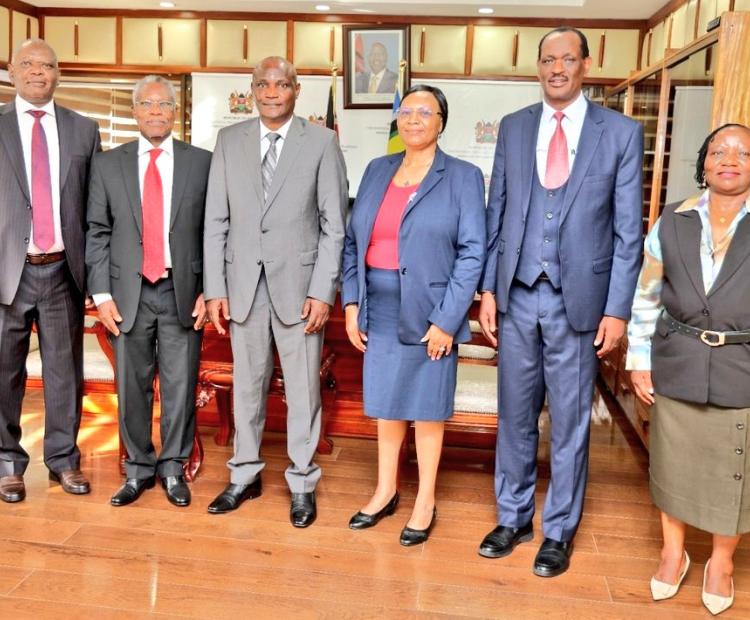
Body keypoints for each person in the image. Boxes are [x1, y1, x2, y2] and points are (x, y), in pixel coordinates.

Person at [477, 27, 643, 576]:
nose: (556, 68)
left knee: (570, 421)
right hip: (518, 295)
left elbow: (627, 233)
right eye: (547, 59)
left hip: (581, 302)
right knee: (515, 416)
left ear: (585, 65)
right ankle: (514, 516)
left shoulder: (619, 132)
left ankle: (560, 529)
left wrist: (617, 308)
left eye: (567, 59)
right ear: (538, 67)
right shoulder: (515, 127)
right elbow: (495, 213)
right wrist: (487, 291)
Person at [204, 56, 347, 528]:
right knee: (247, 387)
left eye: (281, 84)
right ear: (251, 89)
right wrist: (214, 289)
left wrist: (323, 291)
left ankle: (303, 482)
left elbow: (333, 226)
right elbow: (216, 223)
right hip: (242, 287)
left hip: (300, 290)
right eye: (262, 84)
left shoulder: (322, 142)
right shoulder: (229, 141)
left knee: (304, 391)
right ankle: (243, 476)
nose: (271, 92)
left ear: (296, 90)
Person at [342, 84, 486, 545]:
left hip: (431, 312)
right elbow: (352, 242)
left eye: (424, 112)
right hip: (377, 307)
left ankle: (425, 498)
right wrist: (350, 302)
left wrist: (447, 320)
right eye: (405, 111)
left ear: (441, 121)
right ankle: (385, 490)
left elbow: (472, 253)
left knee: (426, 410)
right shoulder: (376, 169)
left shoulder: (462, 176)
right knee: (386, 406)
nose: (413, 120)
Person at [627, 123, 750, 616]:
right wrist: (639, 360)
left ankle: (721, 562)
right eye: (719, 150)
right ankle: (672, 553)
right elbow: (646, 296)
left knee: (734, 472)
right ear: (703, 162)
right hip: (676, 359)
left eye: (742, 152)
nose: (729, 158)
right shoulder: (671, 220)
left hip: (741, 367)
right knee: (673, 464)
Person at [86, 75, 211, 508]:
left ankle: (174, 468)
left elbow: (215, 232)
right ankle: (138, 469)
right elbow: (98, 231)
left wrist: (209, 290)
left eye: (164, 104)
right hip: (126, 296)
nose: (156, 111)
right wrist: (101, 294)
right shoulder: (107, 164)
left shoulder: (203, 163)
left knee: (180, 385)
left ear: (176, 113)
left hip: (183, 292)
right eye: (147, 104)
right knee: (132, 386)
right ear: (134, 111)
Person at [0, 39, 100, 503]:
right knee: (5, 372)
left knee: (65, 371)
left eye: (48, 65)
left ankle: (63, 460)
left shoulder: (84, 129)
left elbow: (96, 208)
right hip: (6, 272)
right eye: (28, 64)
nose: (38, 72)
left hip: (63, 270)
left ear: (59, 73)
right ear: (12, 71)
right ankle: (6, 462)